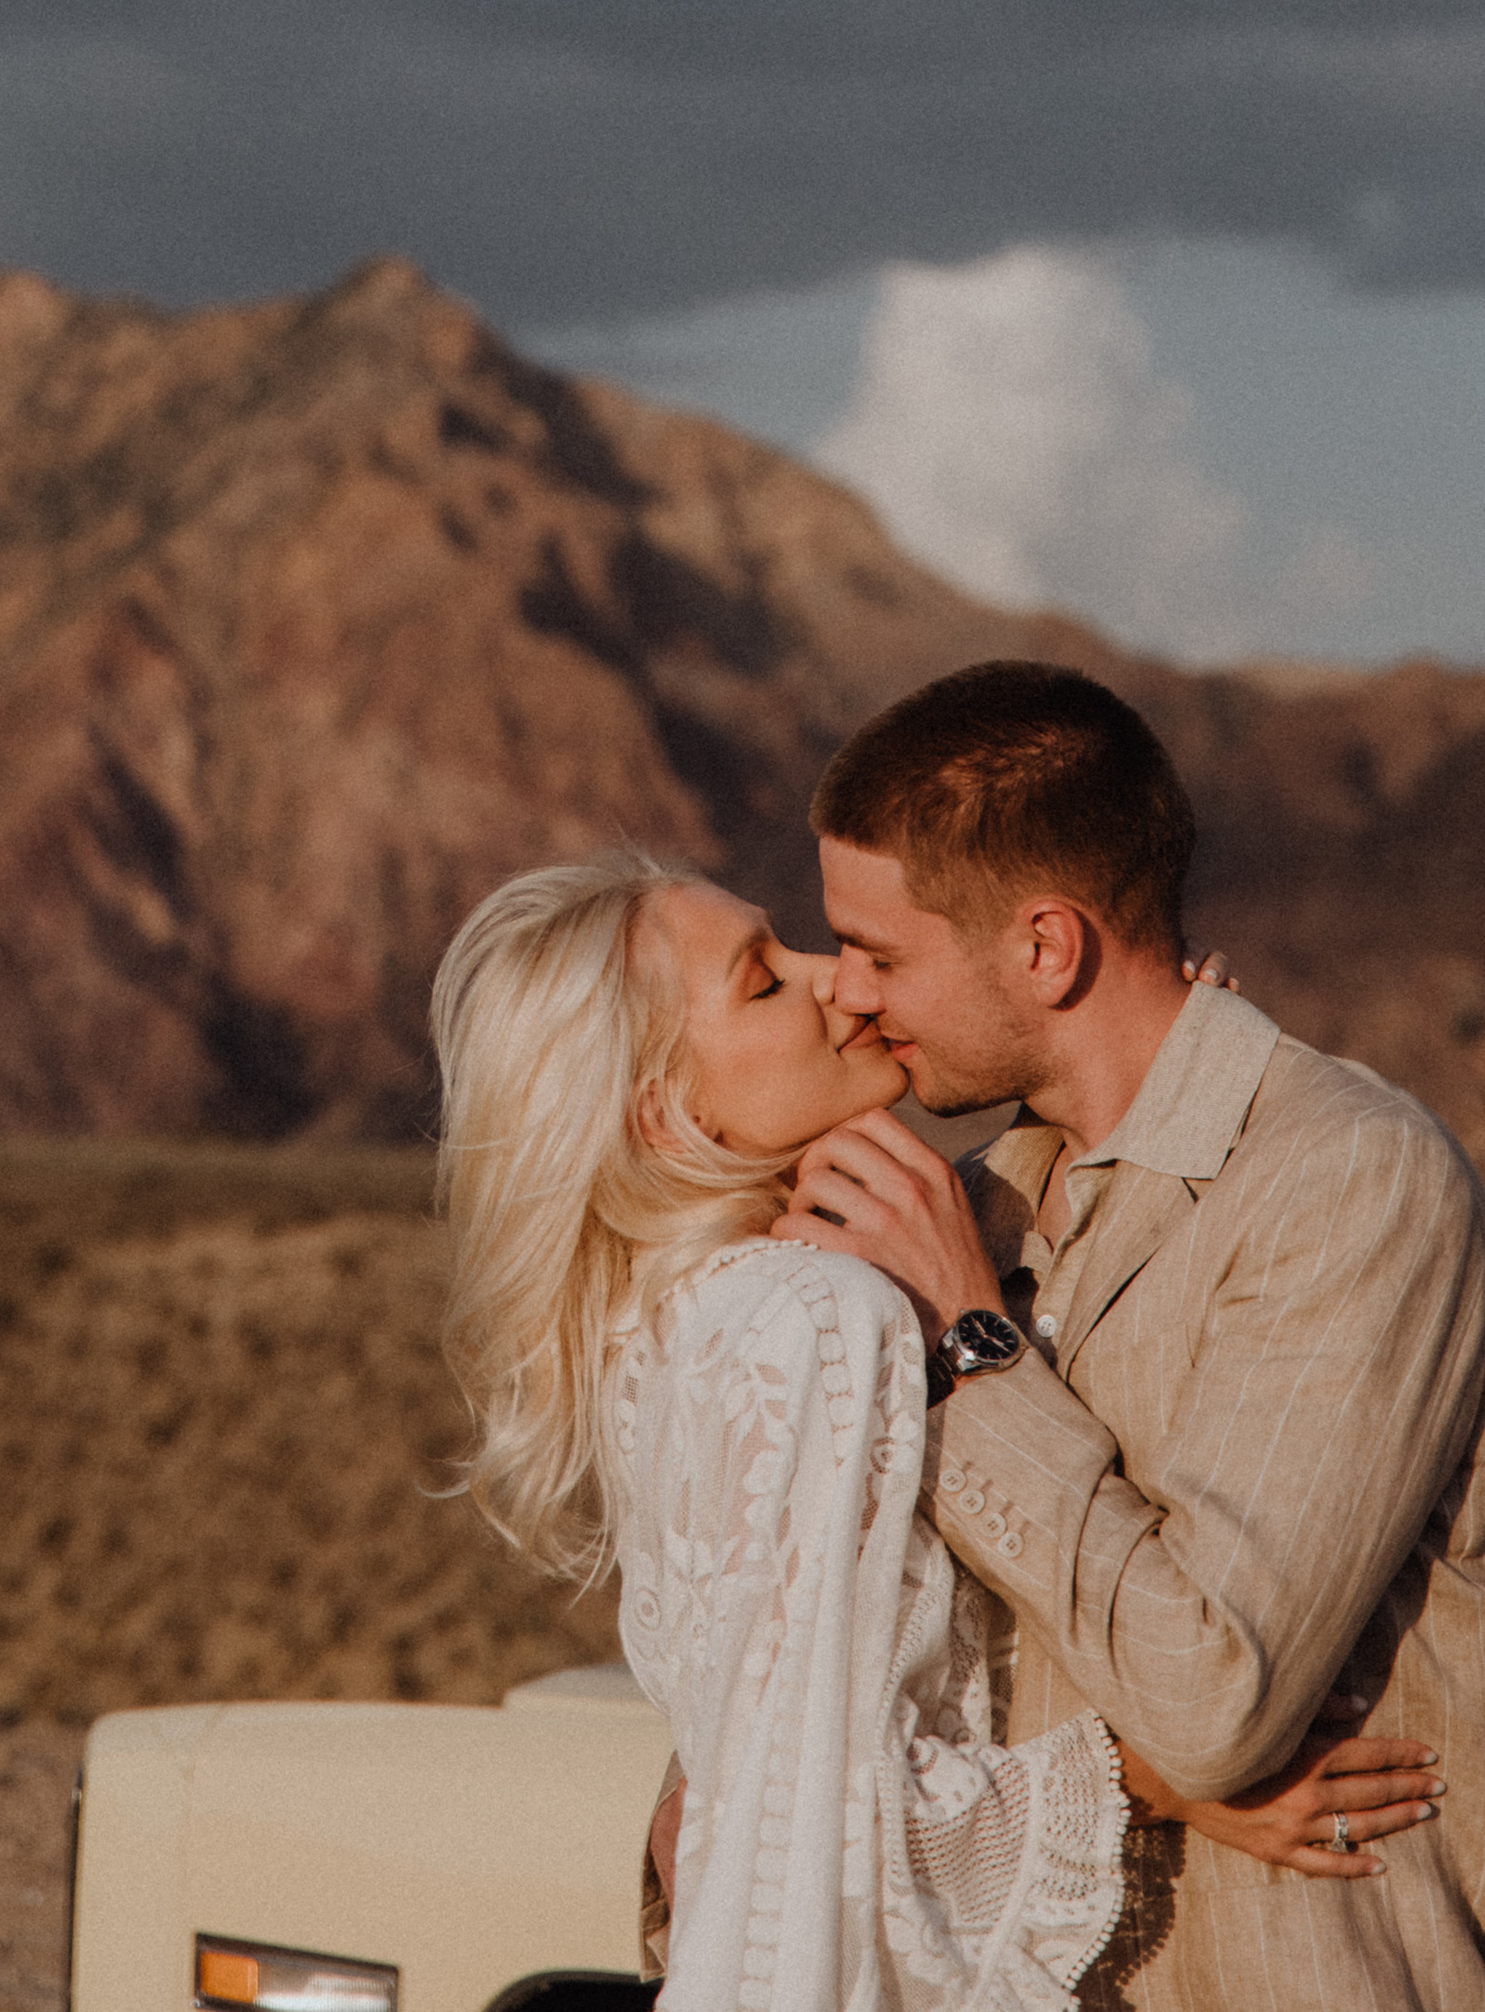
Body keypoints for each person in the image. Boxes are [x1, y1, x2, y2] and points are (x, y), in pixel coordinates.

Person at [783, 659, 1484, 2009]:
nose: (851, 993)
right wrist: (1148, 1793)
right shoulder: (964, 1214)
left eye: (882, 952)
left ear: (1045, 948)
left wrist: (969, 1352)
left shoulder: (1350, 1182)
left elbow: (1213, 1695)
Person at [433, 848, 1138, 2007]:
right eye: (762, 981)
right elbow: (833, 1826)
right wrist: (1178, 1792)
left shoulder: (664, 1323)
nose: (837, 979)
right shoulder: (811, 1316)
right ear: (665, 1114)